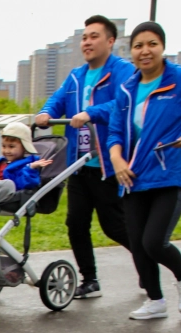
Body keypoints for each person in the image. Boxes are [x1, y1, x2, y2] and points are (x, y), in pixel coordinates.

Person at [107, 21, 181, 320]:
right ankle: (156, 301)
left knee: (154, 241)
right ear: (130, 51)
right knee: (137, 243)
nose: (145, 51)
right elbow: (115, 132)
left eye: (152, 44)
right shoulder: (127, 88)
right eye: (138, 45)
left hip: (170, 174)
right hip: (134, 176)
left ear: (162, 47)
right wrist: (117, 160)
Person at [35, 14, 136, 300]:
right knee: (76, 223)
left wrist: (92, 113)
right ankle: (89, 280)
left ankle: (146, 262)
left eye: (94, 36)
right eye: (84, 37)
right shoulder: (76, 76)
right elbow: (58, 99)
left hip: (107, 163)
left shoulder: (123, 72)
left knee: (114, 226)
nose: (87, 42)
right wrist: (46, 113)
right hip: (79, 165)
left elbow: (123, 103)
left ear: (111, 41)